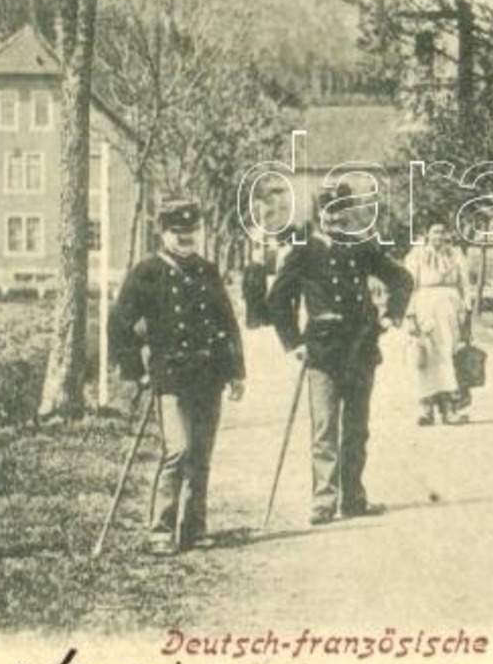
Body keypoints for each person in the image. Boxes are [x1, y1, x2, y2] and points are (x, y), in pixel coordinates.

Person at [267, 184, 412, 524]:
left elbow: (401, 278)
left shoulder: (361, 246)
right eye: (329, 211)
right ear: (319, 213)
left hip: (360, 347)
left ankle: (354, 498)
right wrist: (294, 341)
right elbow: (277, 298)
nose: (335, 218)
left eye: (341, 212)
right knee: (325, 428)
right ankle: (323, 501)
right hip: (322, 349)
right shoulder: (304, 250)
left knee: (357, 428)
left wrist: (392, 313)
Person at [108, 198, 245, 554]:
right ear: (163, 233)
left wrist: (236, 372)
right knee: (178, 450)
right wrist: (135, 371)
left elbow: (227, 324)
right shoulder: (147, 272)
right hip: (171, 376)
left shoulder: (207, 271)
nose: (186, 238)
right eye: (178, 232)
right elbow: (119, 324)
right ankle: (160, 529)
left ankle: (194, 528)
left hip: (209, 374)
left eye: (191, 231)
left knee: (201, 454)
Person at [403, 223, 474, 426]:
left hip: (451, 310)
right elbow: (410, 287)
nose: (439, 236)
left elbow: (465, 285)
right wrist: (410, 315)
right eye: (435, 231)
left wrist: (467, 312)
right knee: (425, 357)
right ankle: (426, 409)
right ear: (427, 234)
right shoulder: (417, 256)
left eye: (443, 231)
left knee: (449, 356)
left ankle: (450, 409)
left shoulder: (456, 255)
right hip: (425, 309)